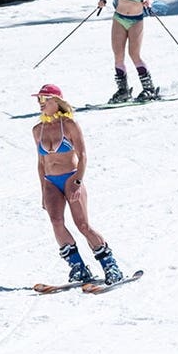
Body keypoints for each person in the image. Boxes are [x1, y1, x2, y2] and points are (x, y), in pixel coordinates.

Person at [32, 84, 124, 284]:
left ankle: (110, 265)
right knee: (56, 222)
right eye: (39, 99)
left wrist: (78, 181)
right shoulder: (37, 130)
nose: (40, 103)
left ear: (57, 102)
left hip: (71, 177)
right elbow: (41, 164)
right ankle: (77, 267)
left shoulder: (70, 125)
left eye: (44, 99)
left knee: (82, 224)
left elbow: (82, 156)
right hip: (50, 181)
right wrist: (42, 192)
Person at [96, 0, 160, 103]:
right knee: (118, 56)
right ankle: (123, 91)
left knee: (134, 54)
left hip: (135, 21)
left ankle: (149, 88)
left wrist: (148, 1)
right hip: (119, 19)